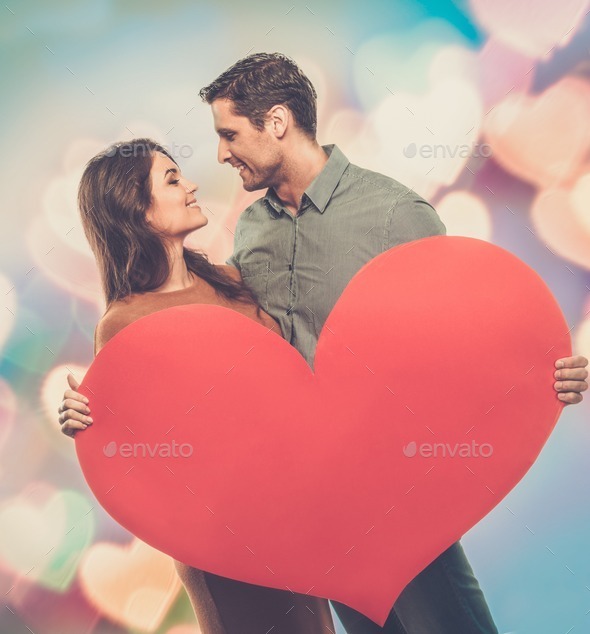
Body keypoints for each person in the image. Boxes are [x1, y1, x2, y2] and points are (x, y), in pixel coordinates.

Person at [60, 53, 589, 632]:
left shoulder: (391, 214)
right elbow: (160, 414)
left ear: (278, 122)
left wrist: (545, 372)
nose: (216, 157)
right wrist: (90, 412)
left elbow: (465, 333)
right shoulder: (250, 239)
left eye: (229, 134)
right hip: (307, 528)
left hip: (396, 495)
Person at [59, 138, 335, 634]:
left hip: (292, 523)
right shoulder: (123, 324)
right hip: (219, 543)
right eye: (171, 180)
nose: (190, 186)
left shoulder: (232, 282)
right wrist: (83, 419)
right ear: (136, 209)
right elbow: (138, 449)